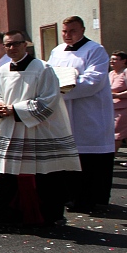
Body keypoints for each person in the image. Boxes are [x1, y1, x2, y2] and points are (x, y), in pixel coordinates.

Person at [0, 31, 80, 230]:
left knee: (45, 175)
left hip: (36, 129)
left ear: (25, 45)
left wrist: (15, 109)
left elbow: (49, 101)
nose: (12, 48)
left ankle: (50, 217)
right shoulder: (2, 71)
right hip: (9, 128)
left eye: (16, 44)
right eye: (8, 45)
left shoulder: (43, 69)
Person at [47, 16, 116, 214]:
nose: (68, 35)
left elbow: (95, 80)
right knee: (68, 157)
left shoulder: (95, 50)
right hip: (65, 110)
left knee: (90, 158)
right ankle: (69, 196)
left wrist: (64, 88)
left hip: (89, 111)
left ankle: (91, 199)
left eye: (73, 31)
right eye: (65, 31)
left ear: (83, 30)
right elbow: (49, 75)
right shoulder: (57, 51)